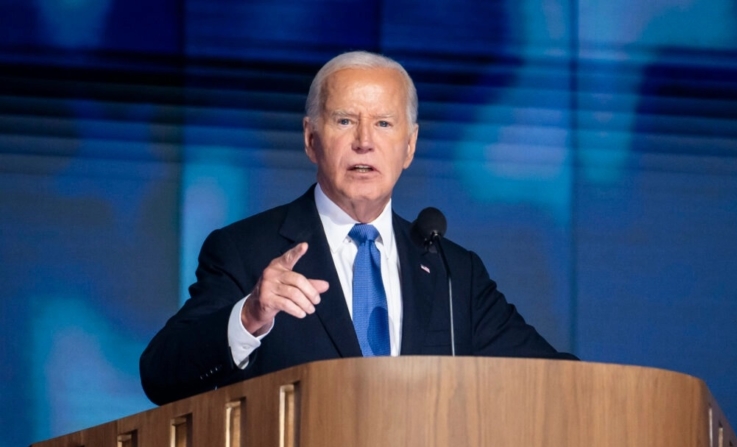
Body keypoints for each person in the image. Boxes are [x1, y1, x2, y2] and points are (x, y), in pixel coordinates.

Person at [139, 50, 577, 406]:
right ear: (311, 139)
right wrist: (250, 315)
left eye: (384, 124)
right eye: (345, 120)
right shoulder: (245, 250)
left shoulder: (452, 272)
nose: (364, 140)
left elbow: (552, 377)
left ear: (409, 146)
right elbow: (161, 376)